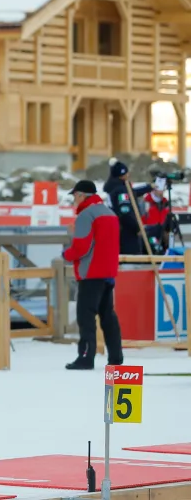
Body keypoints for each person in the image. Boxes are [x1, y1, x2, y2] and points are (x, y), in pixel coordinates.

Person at [64, 180, 123, 370]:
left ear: (82, 195)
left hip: (90, 273)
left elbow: (81, 247)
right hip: (108, 272)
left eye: (75, 196)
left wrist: (66, 255)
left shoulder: (85, 215)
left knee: (85, 317)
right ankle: (116, 357)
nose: (74, 200)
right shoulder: (110, 213)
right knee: (108, 316)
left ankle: (86, 357)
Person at [102, 159, 150, 256]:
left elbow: (132, 193)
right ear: (123, 174)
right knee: (131, 261)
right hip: (127, 233)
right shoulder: (121, 190)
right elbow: (125, 212)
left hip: (117, 230)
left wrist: (149, 187)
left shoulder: (115, 188)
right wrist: (137, 228)